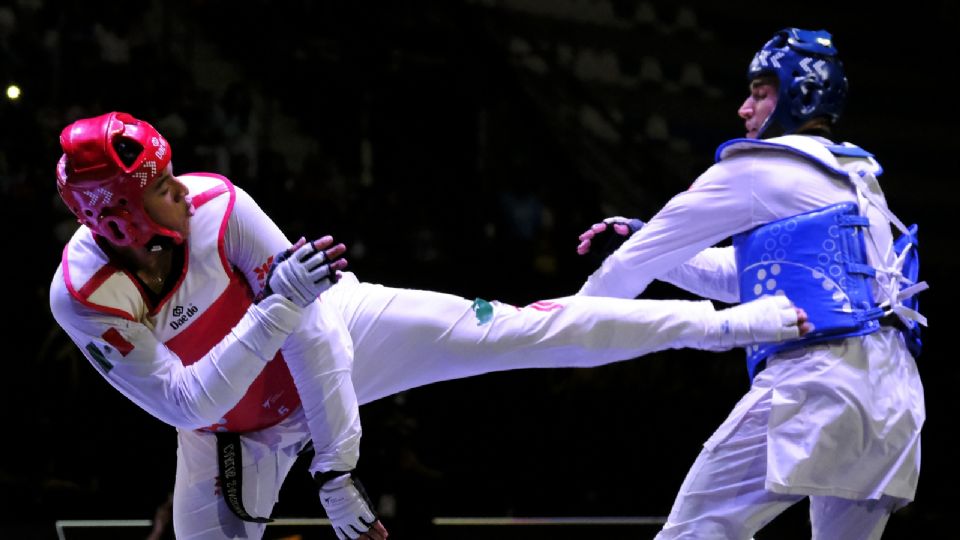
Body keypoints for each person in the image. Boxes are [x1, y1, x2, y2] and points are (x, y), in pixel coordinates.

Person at [49, 112, 809, 540]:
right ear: (112, 213)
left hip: (336, 335)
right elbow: (187, 405)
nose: (180, 190)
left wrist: (337, 475)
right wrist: (276, 303)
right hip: (230, 432)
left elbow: (313, 333)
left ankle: (728, 325)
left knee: (522, 330)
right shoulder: (86, 297)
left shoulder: (217, 202)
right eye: (156, 187)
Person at [576, 28, 926, 539]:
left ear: (798, 93)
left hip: (817, 379)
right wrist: (650, 244)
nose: (743, 109)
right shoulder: (858, 174)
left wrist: (565, 332)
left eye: (759, 93)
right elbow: (750, 281)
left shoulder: (756, 168)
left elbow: (627, 268)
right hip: (892, 398)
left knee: (695, 531)